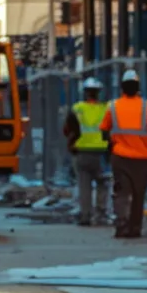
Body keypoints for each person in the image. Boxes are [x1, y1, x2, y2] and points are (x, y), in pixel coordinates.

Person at [99, 70, 147, 238]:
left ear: (122, 87)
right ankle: (135, 228)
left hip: (120, 157)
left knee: (121, 192)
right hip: (142, 159)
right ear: (137, 87)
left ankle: (121, 225)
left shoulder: (113, 106)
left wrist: (111, 147)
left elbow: (104, 132)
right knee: (138, 194)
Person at [63, 78, 111, 226]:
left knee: (84, 186)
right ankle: (101, 213)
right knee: (103, 183)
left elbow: (67, 129)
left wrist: (72, 143)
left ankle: (85, 216)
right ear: (99, 93)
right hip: (101, 154)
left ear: (85, 93)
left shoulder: (77, 109)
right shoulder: (106, 109)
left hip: (81, 152)